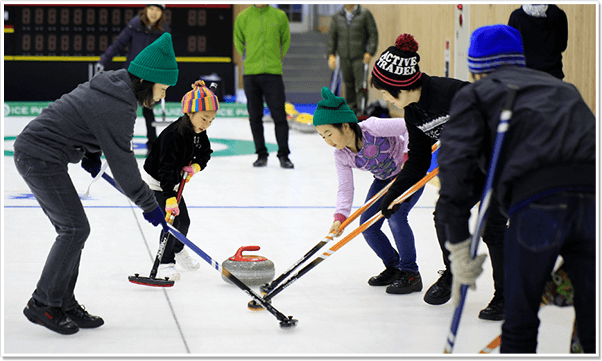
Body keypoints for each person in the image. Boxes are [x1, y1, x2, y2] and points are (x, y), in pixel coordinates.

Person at [437, 24, 595, 353]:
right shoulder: (563, 89)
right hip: (595, 200)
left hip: (537, 205)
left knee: (520, 319)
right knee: (593, 315)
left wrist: (458, 246)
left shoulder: (476, 93)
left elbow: (455, 167)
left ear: (475, 70)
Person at [15, 32, 178, 335]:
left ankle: (62, 300)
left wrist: (89, 151)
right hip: (38, 156)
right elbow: (125, 167)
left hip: (44, 154)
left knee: (73, 229)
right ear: (147, 80)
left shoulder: (114, 87)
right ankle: (42, 303)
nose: (162, 96)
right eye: (163, 88)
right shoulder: (119, 105)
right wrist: (150, 205)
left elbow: (84, 115)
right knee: (74, 229)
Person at [369, 33, 508, 319]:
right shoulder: (412, 112)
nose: (383, 97)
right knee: (444, 214)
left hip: (500, 160)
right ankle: (454, 272)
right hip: (469, 168)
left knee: (491, 225)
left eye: (384, 91)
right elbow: (418, 161)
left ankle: (506, 296)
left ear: (400, 86)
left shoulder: (453, 93)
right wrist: (395, 193)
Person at [312, 87, 424, 294]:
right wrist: (340, 217)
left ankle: (410, 273)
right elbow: (345, 188)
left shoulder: (372, 128)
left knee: (397, 218)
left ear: (345, 126)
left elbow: (409, 127)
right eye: (322, 137)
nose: (328, 141)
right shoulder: (341, 155)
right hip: (383, 181)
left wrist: (409, 156)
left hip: (409, 174)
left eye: (329, 133)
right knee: (368, 226)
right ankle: (394, 266)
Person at [142, 80, 218, 281]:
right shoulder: (173, 135)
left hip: (173, 181)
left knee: (184, 221)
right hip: (158, 183)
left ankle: (177, 249)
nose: (206, 125)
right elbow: (164, 170)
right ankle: (166, 262)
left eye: (211, 121)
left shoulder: (199, 133)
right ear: (190, 113)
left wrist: (195, 167)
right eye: (204, 118)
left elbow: (205, 153)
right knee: (172, 222)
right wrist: (169, 198)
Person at [96, 4, 169, 153]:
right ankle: (118, 141)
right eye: (151, 9)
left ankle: (152, 144)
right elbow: (118, 44)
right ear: (146, 10)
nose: (154, 13)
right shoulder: (134, 25)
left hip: (150, 76)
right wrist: (103, 61)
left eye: (158, 10)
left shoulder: (164, 31)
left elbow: (167, 55)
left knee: (149, 111)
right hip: (132, 73)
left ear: (162, 13)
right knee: (125, 108)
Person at [234, 4, 294, 169]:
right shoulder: (243, 17)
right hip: (251, 74)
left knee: (279, 116)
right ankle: (261, 154)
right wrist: (248, 58)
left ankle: (284, 155)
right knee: (254, 116)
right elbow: (238, 41)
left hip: (273, 74)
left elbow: (286, 40)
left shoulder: (279, 16)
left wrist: (277, 59)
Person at [327, 4, 379, 115]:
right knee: (348, 85)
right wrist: (331, 54)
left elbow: (373, 34)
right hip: (344, 57)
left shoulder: (364, 14)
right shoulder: (337, 17)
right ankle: (351, 111)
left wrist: (370, 52)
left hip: (360, 57)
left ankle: (361, 112)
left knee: (361, 86)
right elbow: (332, 37)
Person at [508, 4, 568, 80]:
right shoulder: (559, 15)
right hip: (553, 77)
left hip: (525, 78)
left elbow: (510, 49)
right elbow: (562, 46)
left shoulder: (516, 17)